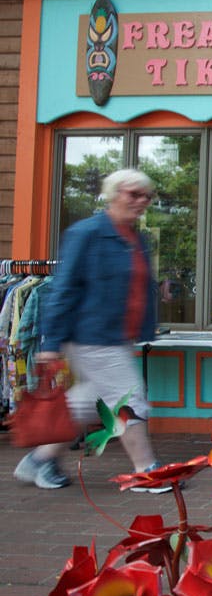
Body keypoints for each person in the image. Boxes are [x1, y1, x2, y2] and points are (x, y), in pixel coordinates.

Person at [13, 168, 168, 492]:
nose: (141, 201)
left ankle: (40, 460)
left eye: (146, 196)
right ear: (113, 194)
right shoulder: (87, 233)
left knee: (88, 402)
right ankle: (145, 471)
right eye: (133, 194)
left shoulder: (136, 238)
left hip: (117, 337)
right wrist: (50, 341)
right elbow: (64, 288)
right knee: (130, 400)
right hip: (91, 335)